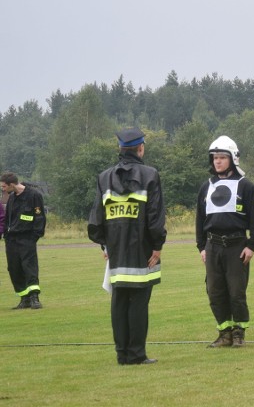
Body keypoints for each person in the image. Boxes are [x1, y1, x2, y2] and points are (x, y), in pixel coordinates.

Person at [88, 128, 167, 365]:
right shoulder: (150, 174)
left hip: (116, 252)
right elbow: (154, 217)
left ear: (120, 149)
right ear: (141, 148)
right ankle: (136, 354)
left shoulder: (104, 177)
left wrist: (104, 245)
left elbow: (96, 219)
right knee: (139, 304)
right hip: (143, 251)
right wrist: (157, 245)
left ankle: (122, 354)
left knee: (119, 302)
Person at [196, 136, 254, 348]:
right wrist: (201, 247)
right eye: (215, 158)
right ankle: (224, 332)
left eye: (222, 158)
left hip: (236, 246)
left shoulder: (246, 186)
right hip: (212, 245)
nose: (217, 162)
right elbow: (200, 219)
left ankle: (238, 333)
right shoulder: (206, 186)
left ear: (232, 159)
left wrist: (251, 246)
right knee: (215, 291)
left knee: (236, 292)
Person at [1, 172, 47, 310]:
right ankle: (24, 298)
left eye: (3, 186)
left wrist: (35, 236)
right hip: (12, 239)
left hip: (27, 238)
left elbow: (40, 217)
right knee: (13, 268)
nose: (2, 189)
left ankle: (34, 298)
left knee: (29, 266)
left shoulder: (34, 195)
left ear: (12, 184)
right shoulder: (12, 198)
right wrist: (6, 235)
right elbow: (8, 219)